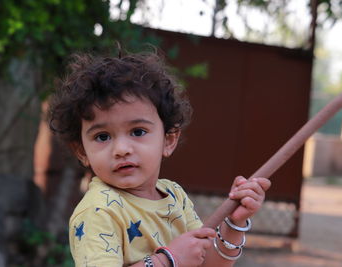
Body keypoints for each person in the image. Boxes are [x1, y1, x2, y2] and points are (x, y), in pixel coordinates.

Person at [49, 49, 271, 267]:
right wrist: (168, 260)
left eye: (137, 132)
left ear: (168, 140)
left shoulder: (175, 196)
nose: (121, 149)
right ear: (82, 151)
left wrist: (234, 223)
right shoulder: (99, 212)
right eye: (102, 136)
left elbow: (208, 264)